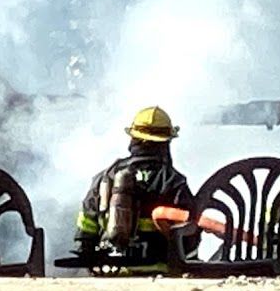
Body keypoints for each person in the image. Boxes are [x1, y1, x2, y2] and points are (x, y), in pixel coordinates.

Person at [73, 106, 195, 268]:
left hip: (112, 270)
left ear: (133, 138)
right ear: (166, 142)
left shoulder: (107, 175)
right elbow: (191, 233)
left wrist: (87, 251)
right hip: (160, 270)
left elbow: (87, 224)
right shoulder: (174, 181)